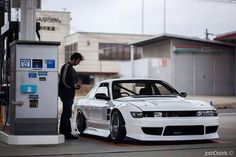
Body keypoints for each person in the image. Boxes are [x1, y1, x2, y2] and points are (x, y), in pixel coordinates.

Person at [59, 52, 84, 139]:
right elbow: (63, 80)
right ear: (75, 59)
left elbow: (69, 82)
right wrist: (72, 86)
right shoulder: (66, 66)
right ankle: (66, 133)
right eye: (79, 61)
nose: (79, 63)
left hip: (70, 94)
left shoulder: (72, 69)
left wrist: (75, 85)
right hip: (65, 94)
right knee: (66, 113)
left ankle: (64, 133)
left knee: (67, 113)